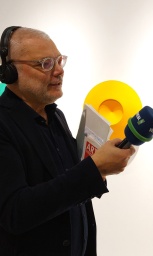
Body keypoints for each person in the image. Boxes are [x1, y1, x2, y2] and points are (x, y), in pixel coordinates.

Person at [0, 26, 135, 256]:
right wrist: (95, 168)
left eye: (59, 60)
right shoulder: (3, 124)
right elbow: (15, 212)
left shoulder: (55, 116)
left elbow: (68, 181)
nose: (59, 71)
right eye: (45, 63)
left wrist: (99, 164)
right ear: (10, 72)